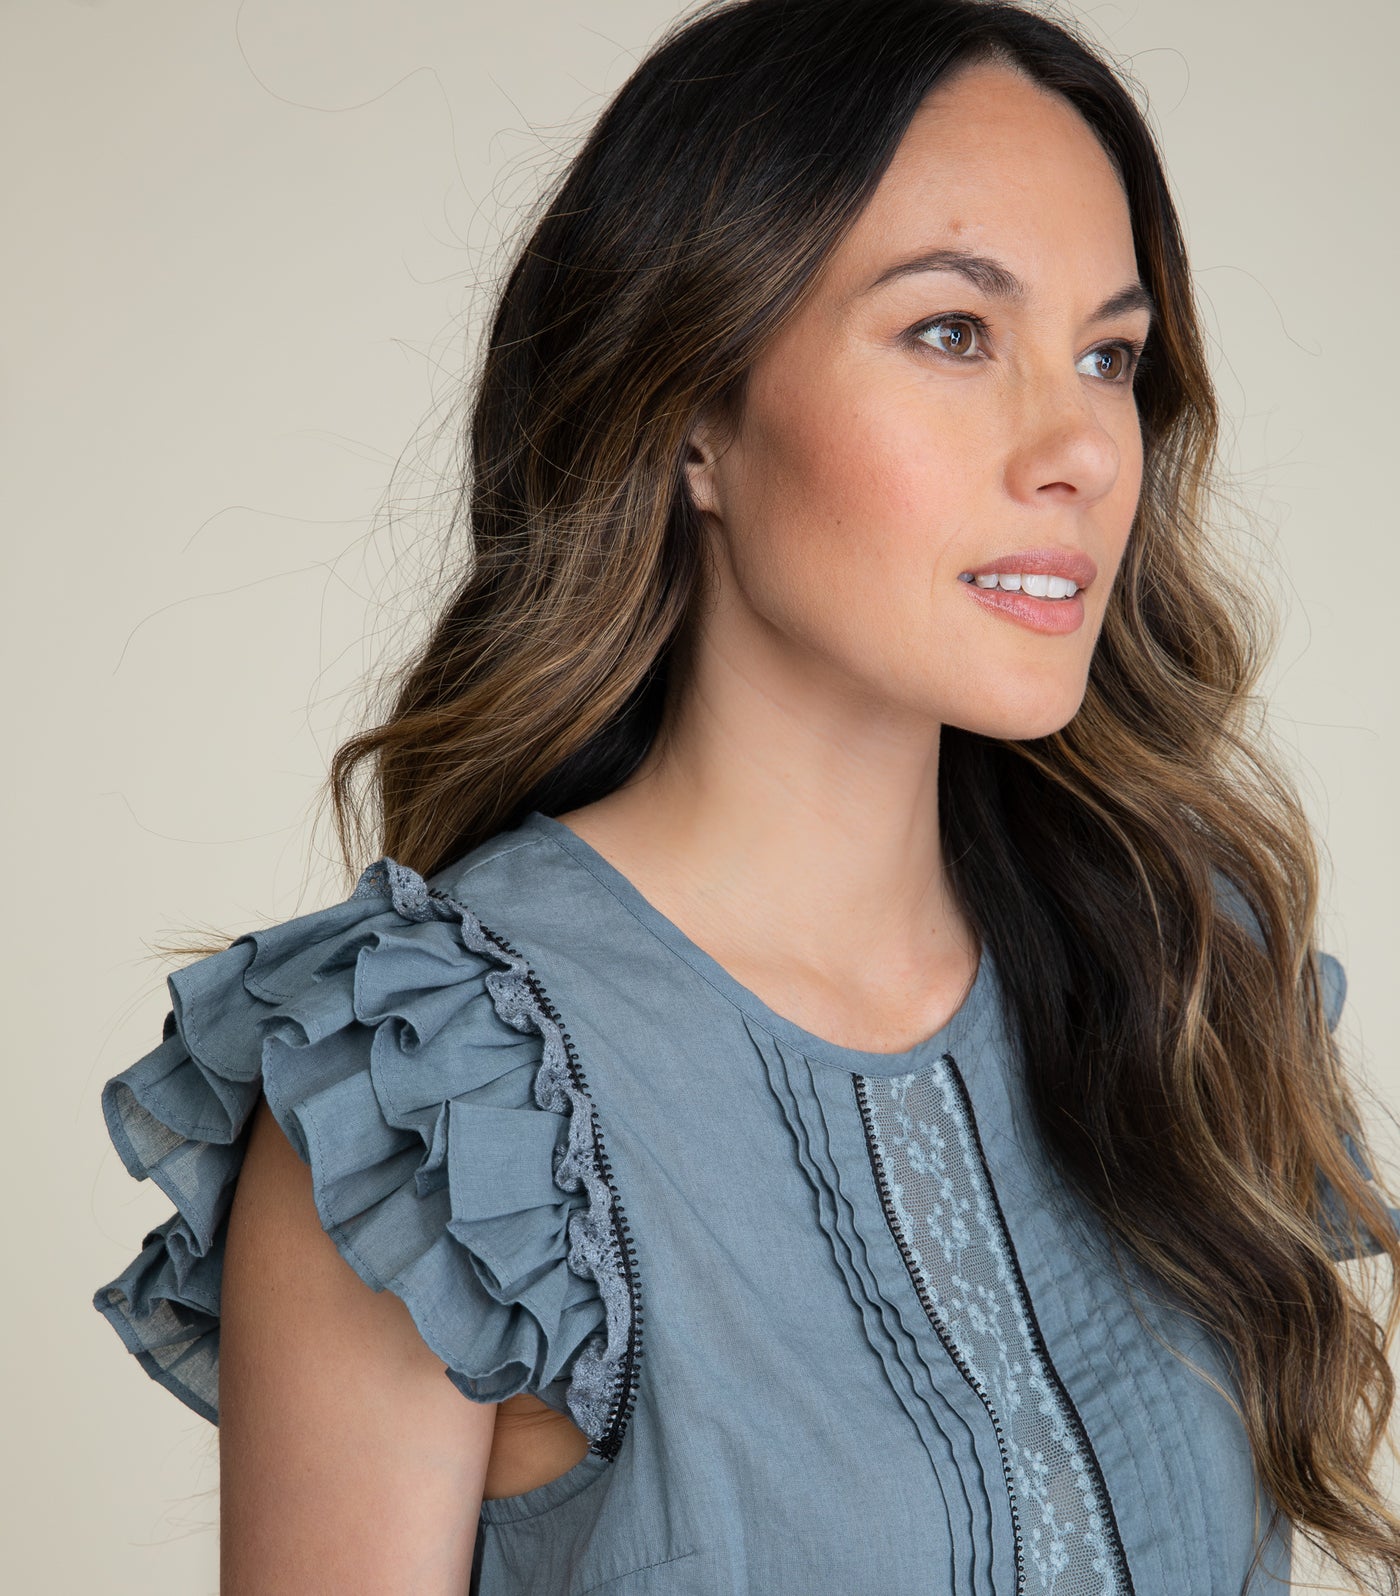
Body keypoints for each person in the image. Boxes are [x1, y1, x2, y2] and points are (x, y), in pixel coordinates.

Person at [91, 0, 1400, 1591]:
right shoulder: (439, 1106)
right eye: (951, 333)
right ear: (695, 413)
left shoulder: (1176, 967)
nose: (1080, 450)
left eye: (1109, 357)